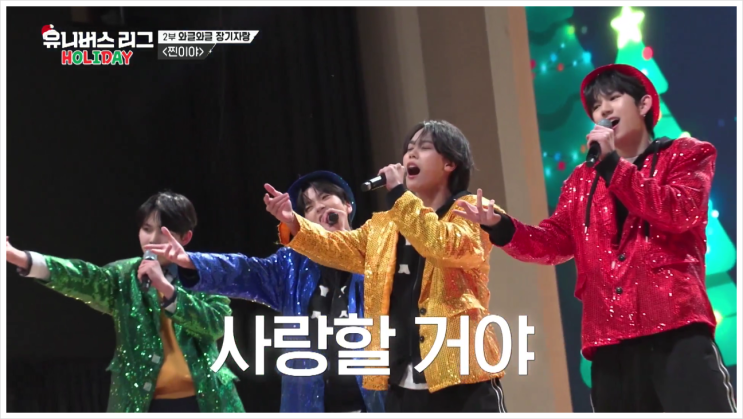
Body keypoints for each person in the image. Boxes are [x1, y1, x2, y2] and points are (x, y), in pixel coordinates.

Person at [455, 64, 736, 413]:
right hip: (609, 342)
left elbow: (679, 211)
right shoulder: (581, 180)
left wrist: (613, 166)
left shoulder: (686, 154)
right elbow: (555, 242)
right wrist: (501, 226)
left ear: (644, 104)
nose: (603, 110)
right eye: (596, 106)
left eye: (613, 99)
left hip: (675, 329)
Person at [263, 121, 508, 413]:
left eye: (423, 148)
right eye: (409, 149)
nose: (410, 155)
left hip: (463, 379)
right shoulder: (385, 226)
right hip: (402, 385)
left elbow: (442, 246)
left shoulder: (473, 211)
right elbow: (337, 247)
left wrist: (399, 195)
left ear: (450, 163)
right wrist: (293, 222)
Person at [143, 171, 386, 413]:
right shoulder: (292, 265)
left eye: (325, 197)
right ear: (305, 221)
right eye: (309, 207)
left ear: (347, 205)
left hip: (374, 403)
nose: (319, 207)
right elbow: (245, 271)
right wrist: (191, 261)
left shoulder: (379, 254)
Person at [5, 191, 244, 413]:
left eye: (164, 231)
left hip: (206, 401)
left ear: (186, 236)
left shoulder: (205, 274)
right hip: (140, 402)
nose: (152, 239)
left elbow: (216, 325)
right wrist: (20, 258)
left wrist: (166, 288)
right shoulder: (123, 276)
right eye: (146, 229)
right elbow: (82, 277)